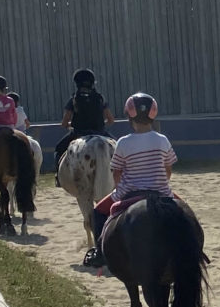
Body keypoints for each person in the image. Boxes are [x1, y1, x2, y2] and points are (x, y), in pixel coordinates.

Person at [92, 93, 177, 247]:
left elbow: (116, 173)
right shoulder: (163, 140)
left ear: (130, 117)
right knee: (186, 212)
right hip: (161, 191)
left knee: (97, 213)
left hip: (128, 192)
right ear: (153, 114)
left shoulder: (123, 142)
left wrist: (120, 189)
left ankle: (99, 252)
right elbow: (168, 170)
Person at [55, 69, 110, 163]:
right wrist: (101, 125)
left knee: (59, 149)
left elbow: (64, 123)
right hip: (99, 132)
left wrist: (70, 126)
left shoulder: (73, 100)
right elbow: (111, 120)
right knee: (117, 148)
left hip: (78, 133)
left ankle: (58, 176)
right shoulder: (100, 99)